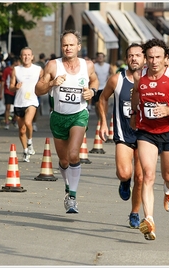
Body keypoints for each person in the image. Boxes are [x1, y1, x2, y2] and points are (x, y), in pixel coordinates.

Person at [130, 39, 169, 240]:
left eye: (158, 57)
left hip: (168, 132)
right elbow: (135, 95)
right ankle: (149, 219)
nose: (154, 61)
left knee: (168, 175)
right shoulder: (140, 77)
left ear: (165, 58)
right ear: (145, 59)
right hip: (146, 132)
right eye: (150, 57)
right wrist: (134, 114)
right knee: (148, 175)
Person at [35, 29, 99, 214]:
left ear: (79, 46)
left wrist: (92, 92)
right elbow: (38, 90)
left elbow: (95, 81)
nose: (68, 48)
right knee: (63, 161)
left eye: (71, 44)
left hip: (79, 114)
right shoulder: (53, 66)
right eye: (65, 45)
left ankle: (72, 197)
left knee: (73, 155)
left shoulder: (87, 65)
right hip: (58, 117)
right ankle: (67, 186)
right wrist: (52, 84)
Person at [98, 43, 145, 228]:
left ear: (144, 58)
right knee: (125, 173)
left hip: (144, 135)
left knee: (140, 178)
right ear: (127, 59)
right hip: (123, 133)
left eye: (138, 55)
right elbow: (102, 98)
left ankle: (134, 212)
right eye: (131, 55)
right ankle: (124, 182)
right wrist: (103, 122)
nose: (134, 58)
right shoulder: (117, 80)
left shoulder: (150, 80)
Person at [9, 47, 42, 162]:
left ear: (32, 57)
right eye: (24, 55)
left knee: (28, 122)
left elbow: (44, 82)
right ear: (21, 57)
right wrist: (15, 87)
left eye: (28, 55)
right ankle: (25, 151)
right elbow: (11, 87)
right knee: (21, 130)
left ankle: (30, 142)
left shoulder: (38, 69)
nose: (26, 57)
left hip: (32, 101)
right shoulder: (16, 69)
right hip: (19, 102)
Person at [0, 57, 19, 130]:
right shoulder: (7, 70)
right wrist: (0, 93)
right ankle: (6, 122)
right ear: (15, 62)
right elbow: (3, 81)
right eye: (18, 62)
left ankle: (14, 120)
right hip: (8, 91)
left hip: (17, 92)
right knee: (7, 107)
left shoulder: (19, 70)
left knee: (17, 108)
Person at [93, 52, 113, 117]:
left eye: (102, 57)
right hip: (96, 87)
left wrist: (109, 76)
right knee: (97, 104)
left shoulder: (108, 66)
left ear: (104, 58)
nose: (100, 58)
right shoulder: (94, 66)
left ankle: (104, 115)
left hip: (105, 87)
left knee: (105, 102)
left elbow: (112, 73)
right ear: (97, 58)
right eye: (99, 57)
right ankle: (99, 116)